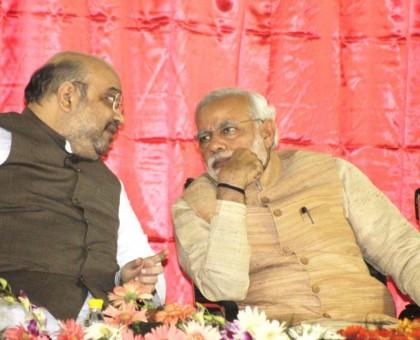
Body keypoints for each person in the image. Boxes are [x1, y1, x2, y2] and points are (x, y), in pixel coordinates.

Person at [0, 51, 167, 323]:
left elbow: (146, 266)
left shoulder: (110, 182)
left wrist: (131, 279)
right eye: (111, 99)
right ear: (68, 96)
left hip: (97, 328)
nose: (119, 116)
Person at [172, 88, 420, 326]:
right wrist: (231, 191)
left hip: (369, 330)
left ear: (266, 132)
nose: (215, 145)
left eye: (228, 130)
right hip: (275, 333)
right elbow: (223, 287)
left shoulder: (332, 172)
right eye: (205, 137)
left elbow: (404, 252)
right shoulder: (192, 206)